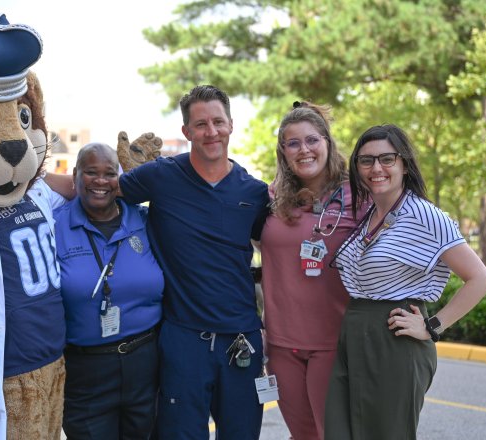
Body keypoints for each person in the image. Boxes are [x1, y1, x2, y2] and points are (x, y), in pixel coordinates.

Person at [119, 85, 269, 439]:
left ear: (231, 124)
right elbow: (100, 189)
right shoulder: (160, 176)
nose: (211, 131)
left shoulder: (255, 192)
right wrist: (28, 183)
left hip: (242, 339)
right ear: (186, 132)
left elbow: (280, 252)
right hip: (183, 338)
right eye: (200, 124)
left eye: (218, 122)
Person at [324, 125, 486, 439]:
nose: (376, 168)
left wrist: (433, 326)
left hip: (395, 338)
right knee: (338, 431)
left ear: (404, 164)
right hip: (354, 334)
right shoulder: (371, 213)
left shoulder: (426, 216)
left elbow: (481, 279)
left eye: (387, 159)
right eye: (366, 160)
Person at [260, 102, 358, 440]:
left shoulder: (359, 196)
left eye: (312, 140)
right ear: (283, 152)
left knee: (332, 433)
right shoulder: (271, 198)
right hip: (280, 344)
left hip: (332, 341)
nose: (304, 150)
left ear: (327, 143)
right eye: (293, 143)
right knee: (301, 434)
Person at [54, 142, 164, 439]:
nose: (101, 181)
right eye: (91, 172)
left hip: (146, 364)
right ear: (75, 175)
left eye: (109, 173)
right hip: (86, 372)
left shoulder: (144, 220)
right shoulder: (55, 227)